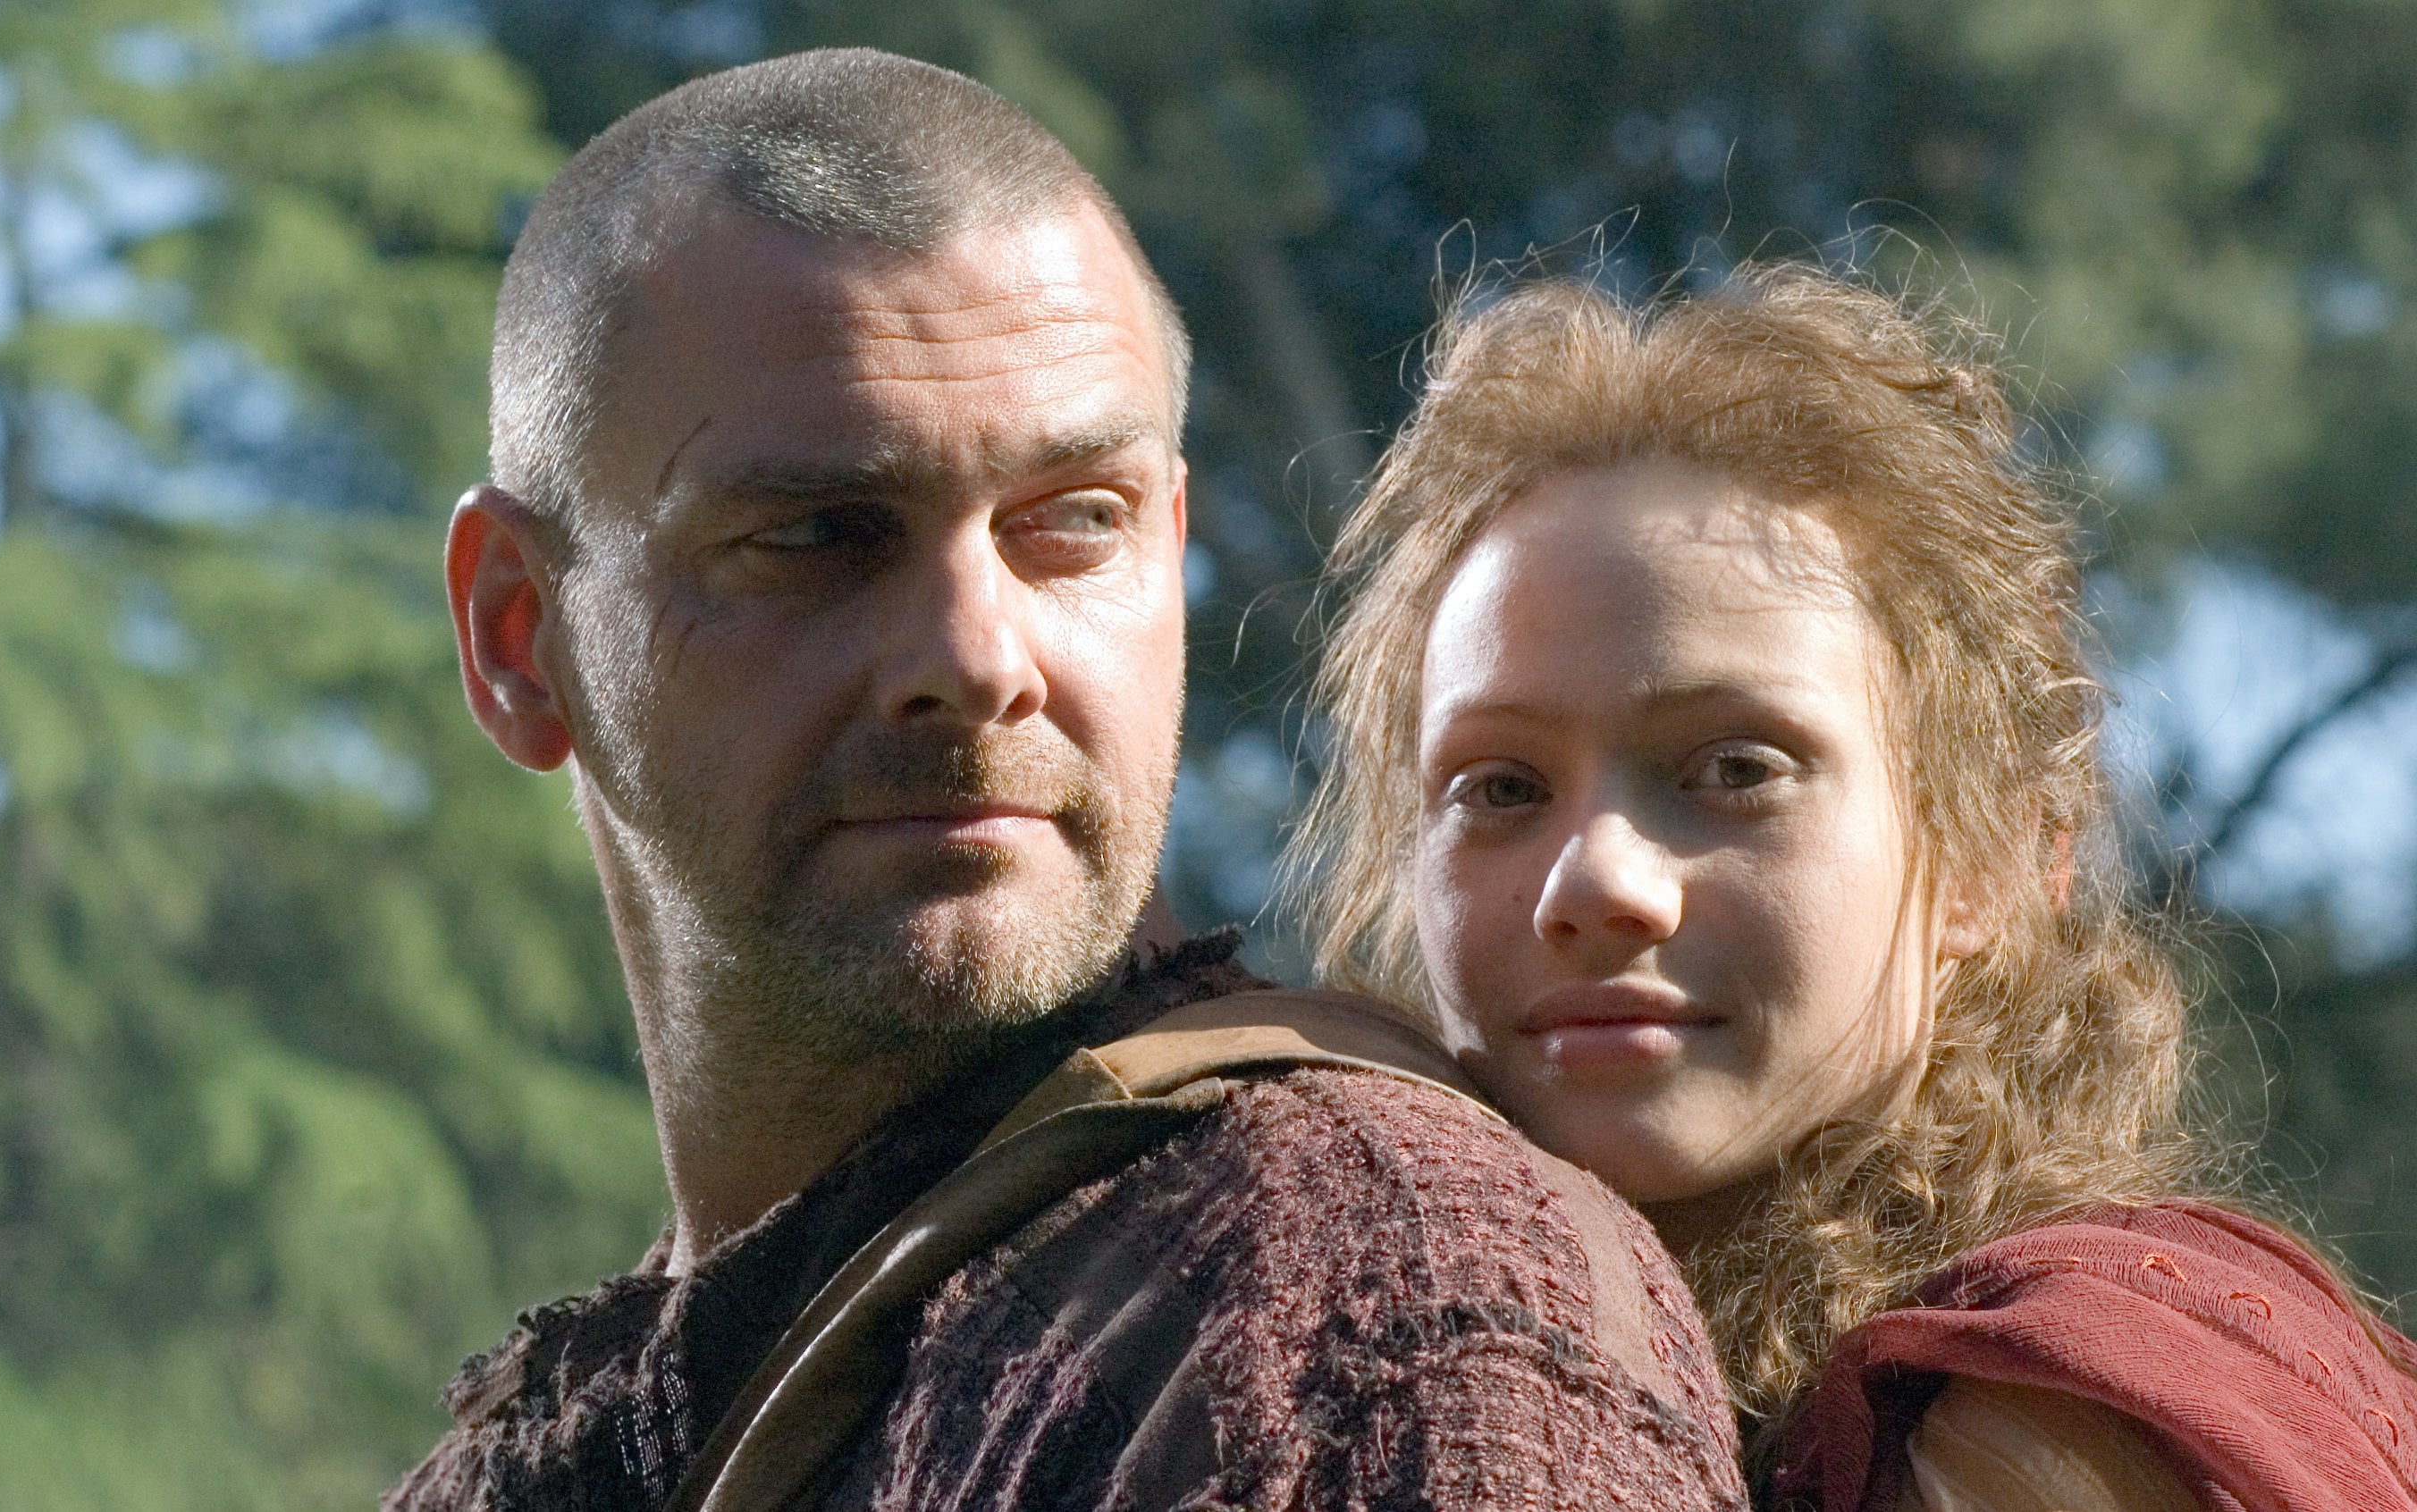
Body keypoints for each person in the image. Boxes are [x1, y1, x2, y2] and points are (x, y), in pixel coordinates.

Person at [384, 48, 1748, 1512]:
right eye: (820, 535)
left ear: (1170, 548)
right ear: (519, 638)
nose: (979, 660)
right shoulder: (534, 1457)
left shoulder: (1374, 1315)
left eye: (1074, 521)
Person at [1287, 264, 2417, 1510]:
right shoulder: (1374, 1367)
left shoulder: (2030, 1421)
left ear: (1995, 854)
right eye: (1501, 787)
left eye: (1736, 769)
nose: (1597, 878)